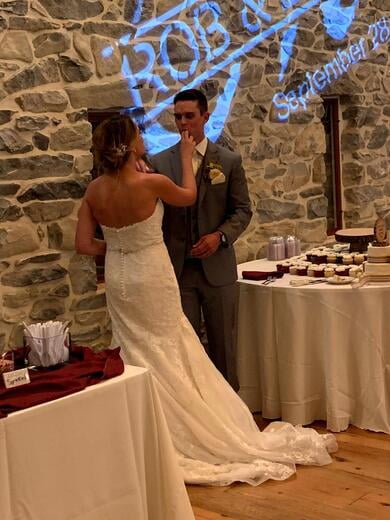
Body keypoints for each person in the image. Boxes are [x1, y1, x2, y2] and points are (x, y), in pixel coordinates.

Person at [75, 114, 337, 487]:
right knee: (170, 344)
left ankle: (140, 428)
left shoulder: (94, 191)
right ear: (130, 144)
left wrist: (119, 246)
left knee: (133, 347)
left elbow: (83, 245)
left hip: (120, 276)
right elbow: (188, 196)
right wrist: (184, 156)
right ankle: (189, 425)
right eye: (139, 136)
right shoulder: (151, 181)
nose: (143, 140)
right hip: (151, 272)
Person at [150, 89, 252, 391]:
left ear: (205, 117)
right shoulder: (160, 163)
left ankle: (234, 418)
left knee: (224, 347)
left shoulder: (229, 161)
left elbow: (242, 210)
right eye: (178, 117)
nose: (183, 123)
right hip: (179, 271)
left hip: (217, 270)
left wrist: (220, 236)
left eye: (189, 116)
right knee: (187, 350)